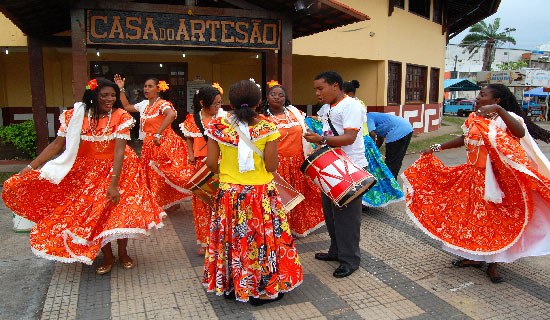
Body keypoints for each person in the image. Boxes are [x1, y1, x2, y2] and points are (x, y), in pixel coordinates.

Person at [1, 78, 166, 275]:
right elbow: (56, 145)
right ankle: (108, 255)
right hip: (89, 172)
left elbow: (119, 152)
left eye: (113, 95)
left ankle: (123, 252)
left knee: (121, 212)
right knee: (95, 214)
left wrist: (113, 184)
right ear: (92, 95)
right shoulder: (75, 116)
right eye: (104, 95)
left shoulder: (121, 116)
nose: (110, 99)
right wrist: (30, 167)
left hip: (121, 169)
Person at [402, 84, 550, 283]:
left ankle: (493, 264)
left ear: (496, 101)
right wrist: (437, 147)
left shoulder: (507, 119)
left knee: (494, 222)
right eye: (479, 94)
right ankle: (473, 257)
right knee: (472, 219)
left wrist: (500, 111)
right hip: (472, 177)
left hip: (497, 182)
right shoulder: (475, 118)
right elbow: (465, 139)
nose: (478, 98)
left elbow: (520, 133)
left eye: (483, 95)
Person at [202, 79, 303, 305]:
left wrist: (228, 174)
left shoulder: (217, 127)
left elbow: (210, 163)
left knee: (233, 239)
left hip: (229, 193)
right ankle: (262, 288)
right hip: (260, 195)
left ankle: (231, 285)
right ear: (259, 102)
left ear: (230, 102)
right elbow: (271, 166)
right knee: (263, 241)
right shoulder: (267, 127)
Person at [303, 71, 368, 278]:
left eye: (321, 88)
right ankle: (336, 251)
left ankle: (350, 259)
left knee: (347, 219)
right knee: (331, 216)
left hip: (350, 169)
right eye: (316, 89)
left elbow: (349, 137)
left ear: (336, 86)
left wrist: (321, 140)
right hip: (331, 167)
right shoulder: (328, 108)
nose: (317, 93)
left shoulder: (351, 106)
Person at [114, 74, 193, 210]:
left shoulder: (162, 104)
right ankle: (163, 202)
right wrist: (121, 89)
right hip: (149, 144)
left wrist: (158, 133)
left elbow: (172, 114)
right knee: (151, 174)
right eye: (145, 86)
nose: (146, 89)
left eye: (150, 86)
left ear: (158, 89)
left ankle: (170, 201)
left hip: (162, 143)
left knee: (166, 173)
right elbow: (127, 106)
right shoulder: (144, 104)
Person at [259, 81, 325, 237]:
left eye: (281, 95)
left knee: (301, 195)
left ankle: (297, 227)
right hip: (277, 165)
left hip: (298, 163)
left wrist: (318, 142)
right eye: (273, 94)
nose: (277, 97)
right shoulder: (261, 118)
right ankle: (280, 230)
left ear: (286, 98)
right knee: (280, 198)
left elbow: (306, 131)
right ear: (267, 97)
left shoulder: (296, 114)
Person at [180, 83, 227, 255]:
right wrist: (190, 153)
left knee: (221, 203)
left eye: (219, 103)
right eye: (215, 103)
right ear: (202, 103)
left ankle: (222, 239)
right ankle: (205, 242)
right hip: (200, 167)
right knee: (201, 205)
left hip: (222, 166)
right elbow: (188, 138)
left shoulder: (224, 118)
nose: (218, 106)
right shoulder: (192, 119)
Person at [366, 112, 413, 179]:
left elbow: (372, 134)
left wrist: (371, 148)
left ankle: (389, 183)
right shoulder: (377, 117)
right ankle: (393, 180)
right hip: (407, 128)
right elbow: (380, 138)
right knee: (397, 159)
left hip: (397, 131)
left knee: (391, 161)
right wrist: (375, 150)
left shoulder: (367, 117)